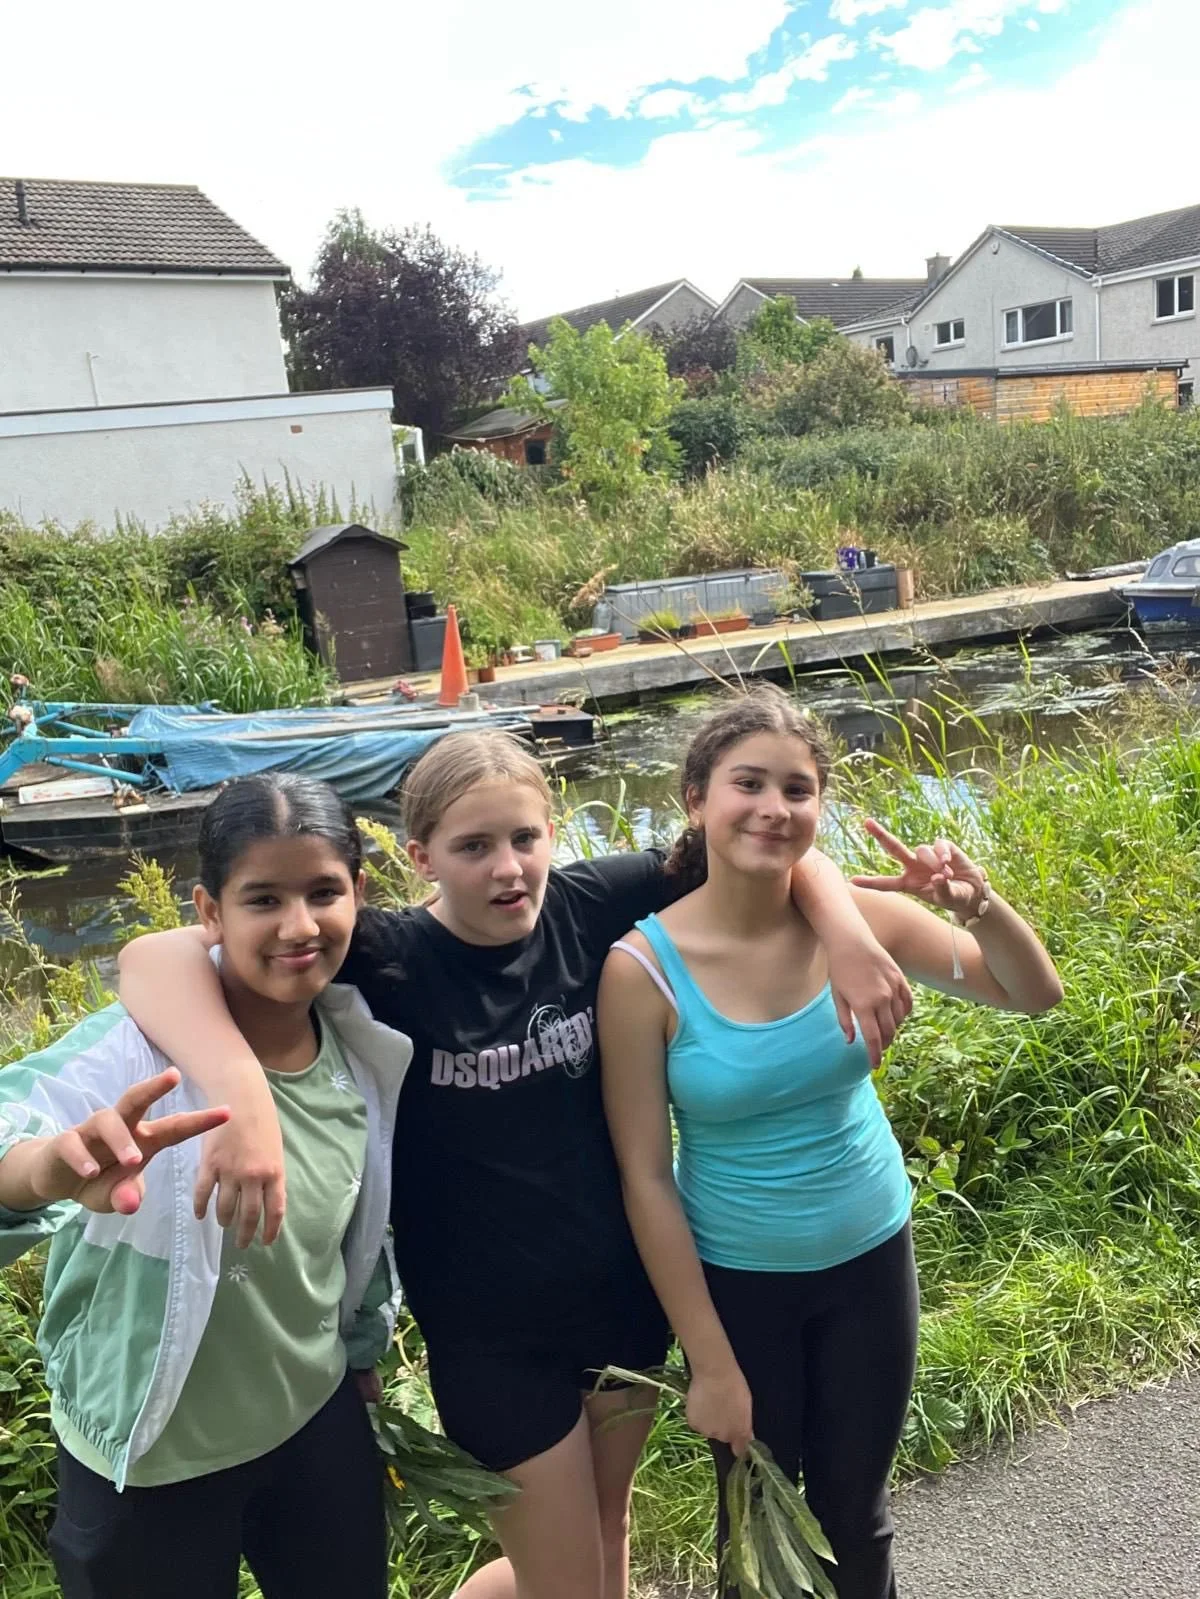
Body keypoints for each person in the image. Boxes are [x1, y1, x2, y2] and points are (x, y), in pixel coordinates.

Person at [116, 728, 914, 1599]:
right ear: (419, 856)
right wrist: (244, 1091)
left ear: (553, 832)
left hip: (619, 1308)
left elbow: (762, 849)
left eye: (525, 839)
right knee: (568, 1579)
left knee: (603, 1543)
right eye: (473, 847)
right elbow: (153, 956)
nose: (508, 869)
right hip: (488, 1337)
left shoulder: (594, 902)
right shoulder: (385, 958)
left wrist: (842, 927)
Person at [598, 686, 1063, 1599]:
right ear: (696, 796)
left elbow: (1031, 992)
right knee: (759, 1531)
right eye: (749, 783)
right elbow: (646, 1178)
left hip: (869, 1258)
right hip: (737, 1281)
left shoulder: (857, 921)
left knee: (856, 1515)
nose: (774, 809)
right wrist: (712, 1361)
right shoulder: (641, 970)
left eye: (798, 790)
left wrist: (977, 905)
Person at [0, 773, 412, 1599]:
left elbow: (359, 1238)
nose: (299, 926)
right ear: (208, 911)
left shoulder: (363, 1049)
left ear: (359, 893)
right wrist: (53, 1166)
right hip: (150, 1459)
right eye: (262, 899)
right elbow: (14, 1128)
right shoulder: (135, 1051)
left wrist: (364, 1351)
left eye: (324, 892)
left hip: (313, 1422)